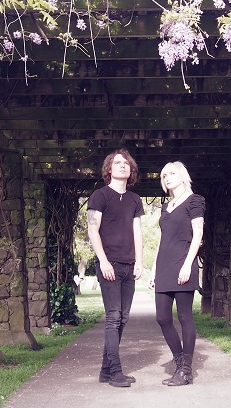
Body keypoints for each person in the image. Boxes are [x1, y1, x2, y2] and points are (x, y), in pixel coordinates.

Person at [87, 149, 144, 388]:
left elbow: (137, 232)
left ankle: (105, 371)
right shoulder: (99, 196)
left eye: (126, 163)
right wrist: (103, 261)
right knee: (113, 317)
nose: (123, 165)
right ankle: (116, 372)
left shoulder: (135, 199)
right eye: (117, 162)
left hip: (128, 266)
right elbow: (92, 229)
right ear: (109, 169)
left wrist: (140, 261)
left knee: (123, 318)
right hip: (108, 264)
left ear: (131, 170)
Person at [148, 161, 205, 386]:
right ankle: (180, 363)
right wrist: (153, 270)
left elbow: (198, 234)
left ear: (182, 176)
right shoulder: (166, 207)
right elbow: (162, 240)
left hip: (183, 264)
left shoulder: (194, 201)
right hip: (164, 266)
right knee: (162, 317)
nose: (168, 178)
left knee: (184, 317)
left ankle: (185, 371)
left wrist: (187, 265)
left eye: (172, 173)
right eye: (164, 175)